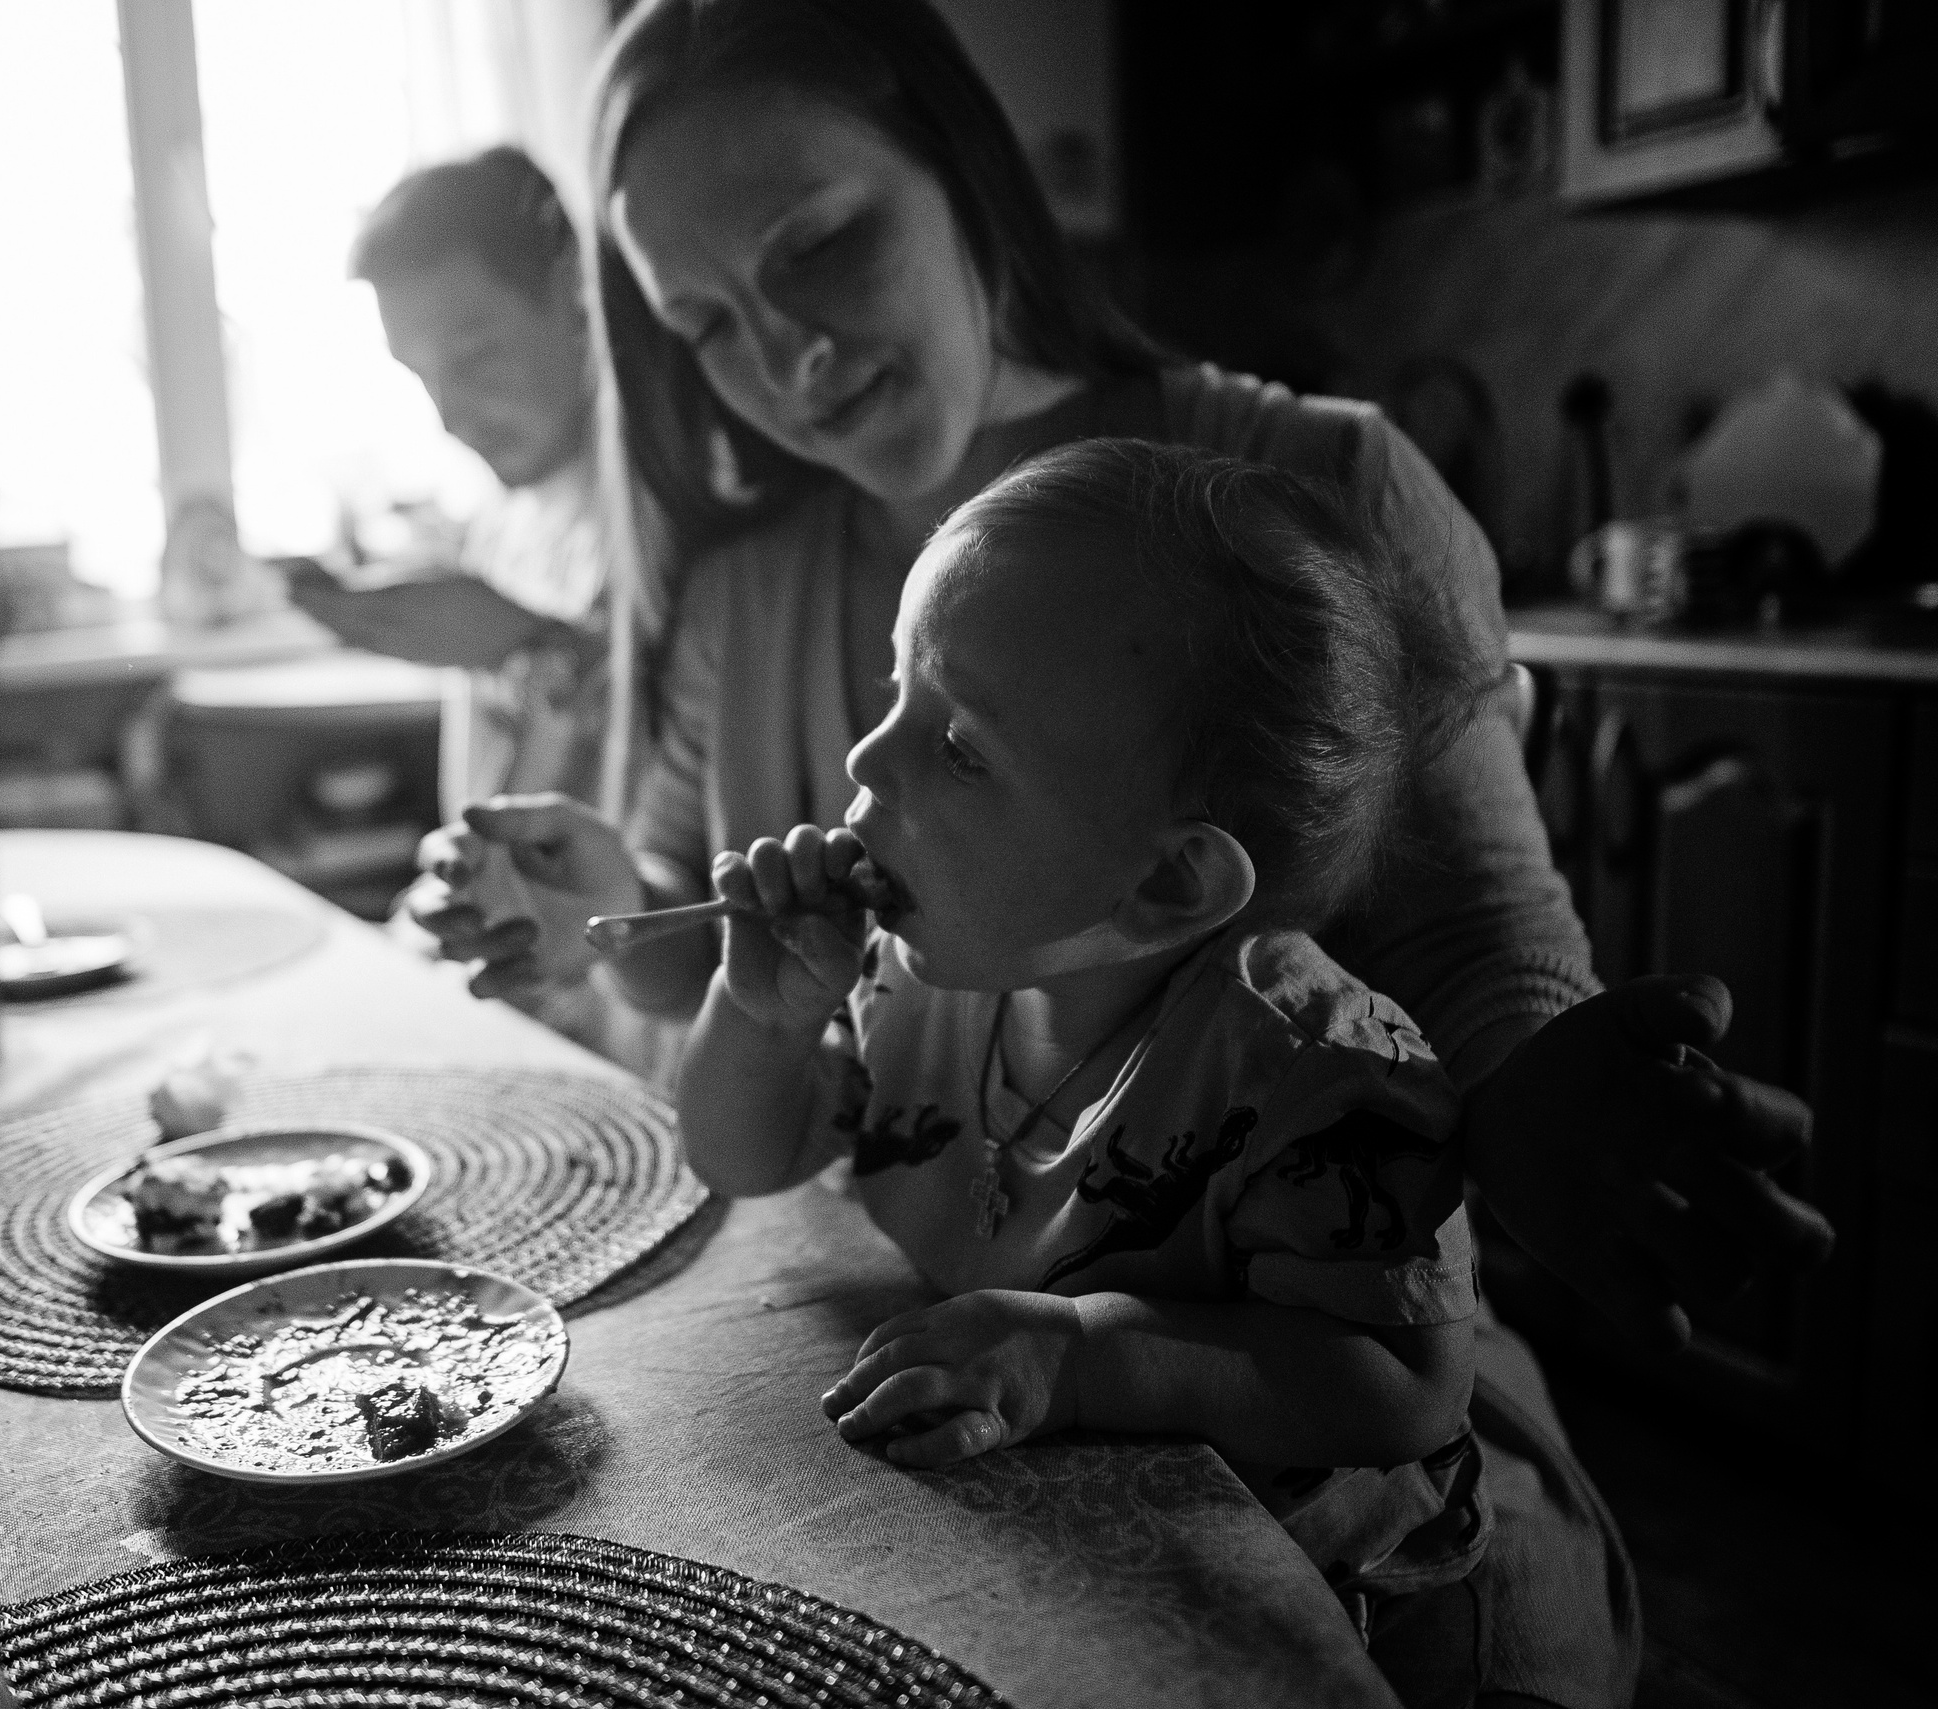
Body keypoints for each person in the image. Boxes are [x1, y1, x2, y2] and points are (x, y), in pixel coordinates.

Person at [408, 2, 1829, 1703]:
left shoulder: (1308, 483)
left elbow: (1477, 951)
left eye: (825, 246)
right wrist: (594, 917)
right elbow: (720, 952)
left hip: (1306, 1423)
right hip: (951, 1356)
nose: (786, 362)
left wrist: (1543, 1086)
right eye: (705, 323)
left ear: (966, 175)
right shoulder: (744, 583)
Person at [682, 438, 1495, 1668]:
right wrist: (762, 1015)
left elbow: (1402, 1383)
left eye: (960, 747)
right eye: (895, 685)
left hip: (1298, 1603)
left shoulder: (1320, 1079)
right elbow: (741, 1156)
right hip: (1014, 1530)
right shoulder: (916, 969)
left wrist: (1087, 1354)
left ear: (1169, 879)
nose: (862, 760)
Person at [289, 145, 605, 814]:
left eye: (475, 356)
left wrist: (534, 643)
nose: (449, 416)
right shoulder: (498, 521)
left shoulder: (662, 514)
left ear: (570, 292)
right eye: (420, 376)